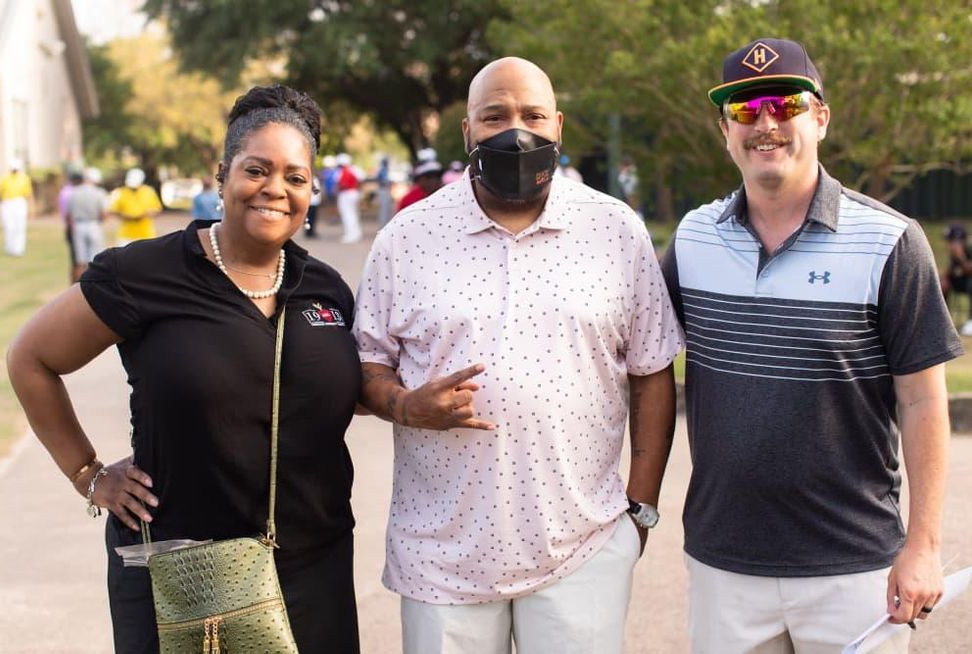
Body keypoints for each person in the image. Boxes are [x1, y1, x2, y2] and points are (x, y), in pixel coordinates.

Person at [7, 84, 361, 654]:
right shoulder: (141, 273)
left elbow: (346, 386)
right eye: (256, 170)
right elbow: (31, 359)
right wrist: (89, 474)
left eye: (295, 177)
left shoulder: (324, 287)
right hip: (182, 572)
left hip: (311, 565)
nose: (276, 189)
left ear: (312, 190)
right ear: (222, 175)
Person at [353, 56, 684, 654]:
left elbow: (652, 370)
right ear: (467, 132)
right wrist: (404, 405)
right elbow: (365, 364)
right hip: (440, 557)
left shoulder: (615, 230)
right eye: (494, 116)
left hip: (582, 547)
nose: (516, 130)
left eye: (532, 115)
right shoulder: (406, 238)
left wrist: (641, 510)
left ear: (557, 126)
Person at [660, 38, 962, 653]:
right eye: (744, 110)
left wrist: (923, 547)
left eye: (784, 103)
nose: (765, 122)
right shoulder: (692, 241)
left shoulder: (891, 242)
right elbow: (634, 362)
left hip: (854, 569)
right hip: (725, 565)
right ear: (725, 130)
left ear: (820, 117)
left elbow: (924, 403)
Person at [65, 167, 109, 281]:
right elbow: (104, 214)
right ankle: (93, 287)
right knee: (96, 260)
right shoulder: (99, 193)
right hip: (94, 225)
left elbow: (69, 214)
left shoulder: (74, 192)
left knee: (80, 262)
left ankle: (77, 288)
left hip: (78, 226)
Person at [108, 168, 162, 245]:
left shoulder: (149, 191)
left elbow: (157, 209)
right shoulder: (120, 192)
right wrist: (124, 216)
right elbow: (113, 210)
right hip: (126, 235)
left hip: (146, 234)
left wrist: (147, 213)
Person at [0, 157, 34, 256]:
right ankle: (10, 247)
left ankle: (19, 249)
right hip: (7, 203)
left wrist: (32, 208)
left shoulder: (24, 178)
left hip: (19, 202)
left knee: (20, 226)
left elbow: (28, 195)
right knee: (9, 226)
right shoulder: (4, 178)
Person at [940, 224, 972, 334]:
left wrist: (960, 256)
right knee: (941, 284)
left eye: (951, 241)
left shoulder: (968, 249)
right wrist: (944, 280)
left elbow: (969, 271)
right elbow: (950, 273)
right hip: (961, 283)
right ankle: (943, 321)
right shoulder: (953, 254)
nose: (950, 245)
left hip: (969, 283)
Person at [335, 153, 362, 243]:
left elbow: (342, 184)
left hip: (346, 194)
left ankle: (351, 234)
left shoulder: (343, 171)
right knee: (353, 214)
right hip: (354, 193)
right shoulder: (354, 169)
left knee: (348, 215)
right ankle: (356, 233)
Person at [375, 155, 394, 227]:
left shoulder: (386, 169)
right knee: (384, 209)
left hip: (386, 190)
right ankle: (383, 225)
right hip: (383, 190)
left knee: (388, 208)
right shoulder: (382, 170)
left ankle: (387, 224)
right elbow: (382, 181)